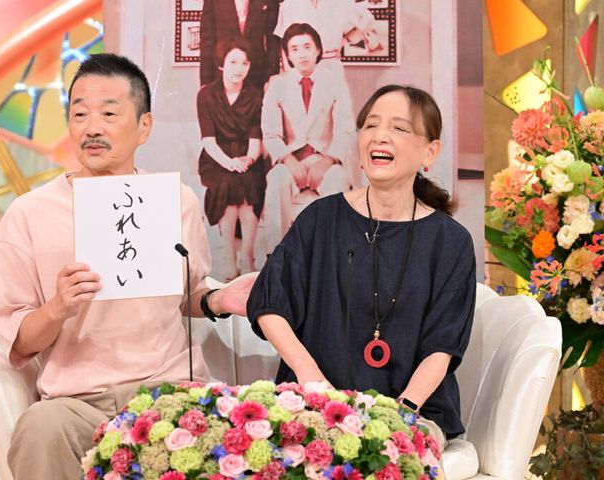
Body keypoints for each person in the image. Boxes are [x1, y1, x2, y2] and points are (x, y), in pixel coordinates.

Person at [0, 53, 255, 478]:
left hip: (167, 393)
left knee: (233, 434)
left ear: (144, 126)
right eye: (80, 114)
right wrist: (58, 307)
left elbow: (186, 295)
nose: (92, 127)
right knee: (39, 428)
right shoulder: (29, 213)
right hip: (75, 404)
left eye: (109, 114)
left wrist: (219, 299)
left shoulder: (176, 201)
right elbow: (17, 344)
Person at [247, 85, 477, 452]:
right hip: (315, 405)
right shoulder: (320, 219)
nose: (379, 136)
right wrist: (314, 384)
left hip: (415, 411)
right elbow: (269, 305)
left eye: (399, 128)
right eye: (370, 125)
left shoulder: (451, 242)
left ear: (430, 152)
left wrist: (401, 416)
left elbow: (443, 346)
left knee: (393, 456)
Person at [261, 22, 356, 253]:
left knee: (338, 179)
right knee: (277, 179)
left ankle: (332, 256)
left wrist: (328, 160)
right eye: (294, 49)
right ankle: (277, 256)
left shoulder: (334, 82)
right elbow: (270, 134)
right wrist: (287, 160)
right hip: (290, 160)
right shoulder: (278, 85)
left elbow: (345, 129)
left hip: (324, 158)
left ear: (318, 50)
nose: (302, 54)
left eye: (307, 47)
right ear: (287, 55)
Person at [197, 38, 266, 280]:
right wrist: (230, 162)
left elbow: (256, 137)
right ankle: (228, 256)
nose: (239, 69)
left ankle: (247, 255)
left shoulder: (256, 95)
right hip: (216, 158)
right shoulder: (206, 95)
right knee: (226, 182)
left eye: (245, 63)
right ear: (221, 64)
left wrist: (249, 159)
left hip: (248, 156)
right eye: (233, 62)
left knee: (250, 181)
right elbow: (208, 140)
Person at [199, 0, 280, 88]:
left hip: (257, 75)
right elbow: (207, 40)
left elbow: (273, 41)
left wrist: (271, 79)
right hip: (222, 75)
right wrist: (206, 81)